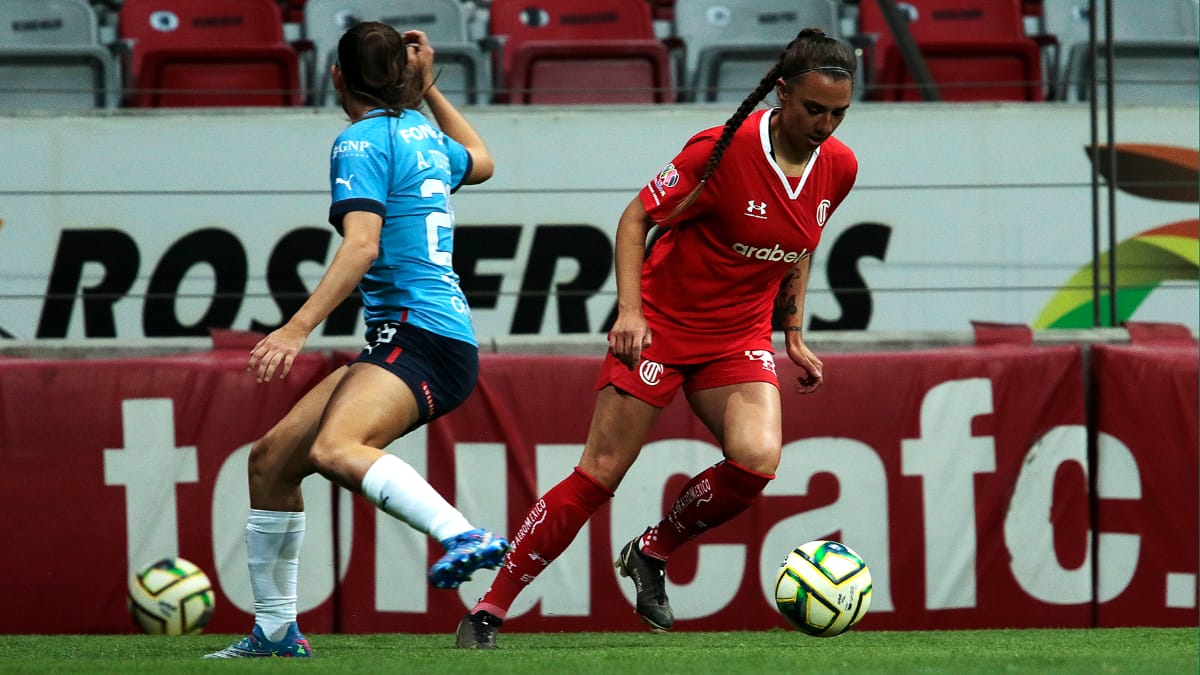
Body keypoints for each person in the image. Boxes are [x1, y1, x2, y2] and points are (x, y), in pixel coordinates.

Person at [454, 28, 858, 649]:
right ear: (782, 94)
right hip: (663, 329)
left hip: (738, 336)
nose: (826, 124)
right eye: (814, 109)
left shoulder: (840, 166)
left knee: (756, 462)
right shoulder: (717, 152)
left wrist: (794, 331)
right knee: (599, 474)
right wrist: (630, 313)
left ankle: (652, 550)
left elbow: (802, 243)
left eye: (838, 112)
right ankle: (489, 607)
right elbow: (636, 217)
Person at [205, 23, 508, 659]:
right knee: (271, 461)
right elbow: (481, 161)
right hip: (419, 337)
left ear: (337, 75)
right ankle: (276, 632)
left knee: (338, 447)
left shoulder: (359, 141)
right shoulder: (424, 133)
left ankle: (460, 534)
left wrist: (295, 327)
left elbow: (362, 244)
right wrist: (428, 92)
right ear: (403, 76)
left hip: (420, 335)